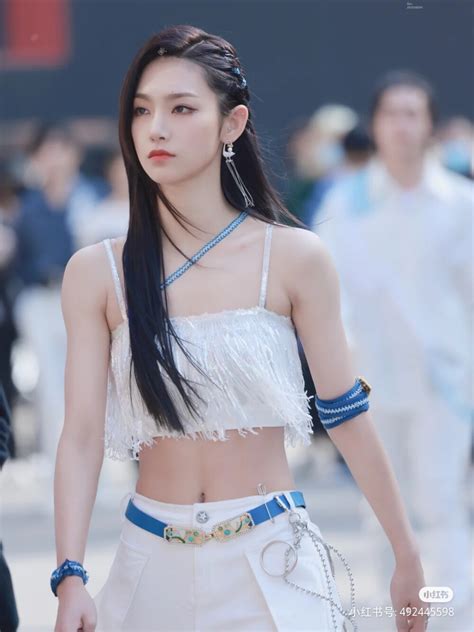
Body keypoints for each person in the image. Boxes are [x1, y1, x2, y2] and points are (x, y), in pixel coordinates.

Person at [52, 26, 428, 632]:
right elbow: (80, 435)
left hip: (272, 558)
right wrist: (69, 573)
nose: (156, 129)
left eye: (181, 108)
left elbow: (345, 413)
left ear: (232, 124)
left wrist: (405, 553)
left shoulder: (294, 257)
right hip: (149, 564)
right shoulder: (98, 273)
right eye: (142, 111)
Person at [313, 70, 472, 630]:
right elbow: (327, 295)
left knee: (441, 500)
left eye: (412, 114)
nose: (402, 126)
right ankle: (397, 616)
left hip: (444, 384)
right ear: (375, 124)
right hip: (371, 383)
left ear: (429, 124)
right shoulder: (345, 202)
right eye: (391, 114)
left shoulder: (460, 202)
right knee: (384, 506)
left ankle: (450, 616)